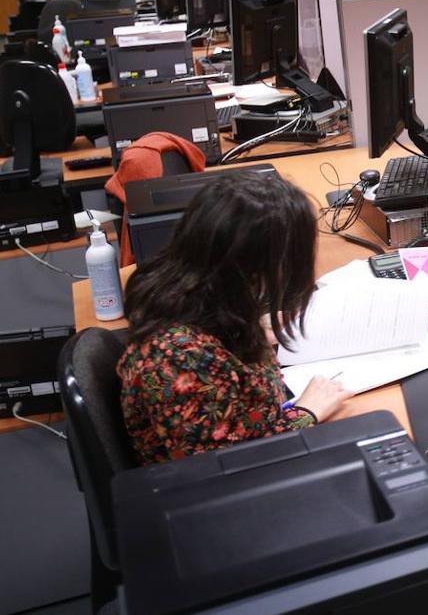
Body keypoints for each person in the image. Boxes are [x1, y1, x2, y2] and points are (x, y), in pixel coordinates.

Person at [117, 170, 353, 465]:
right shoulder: (180, 357)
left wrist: (250, 327)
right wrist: (306, 412)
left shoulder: (192, 293)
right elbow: (227, 465)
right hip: (227, 483)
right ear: (251, 266)